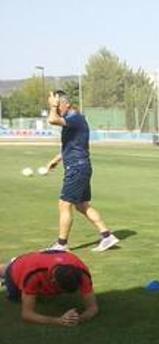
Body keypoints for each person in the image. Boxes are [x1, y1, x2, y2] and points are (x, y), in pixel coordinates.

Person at [44, 91, 120, 252]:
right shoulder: (73, 120)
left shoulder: (75, 119)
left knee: (64, 204)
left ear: (66, 104)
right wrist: (56, 160)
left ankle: (62, 244)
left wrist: (52, 105)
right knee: (82, 205)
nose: (57, 110)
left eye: (59, 107)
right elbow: (73, 146)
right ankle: (107, 236)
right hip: (81, 166)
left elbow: (52, 119)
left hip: (77, 168)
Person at [1, 250, 98, 327]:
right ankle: (10, 266)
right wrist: (58, 321)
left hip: (45, 259)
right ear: (53, 281)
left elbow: (92, 308)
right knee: (15, 297)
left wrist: (79, 318)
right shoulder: (33, 275)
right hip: (19, 268)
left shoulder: (82, 273)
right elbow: (27, 314)